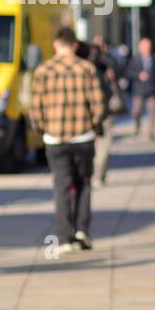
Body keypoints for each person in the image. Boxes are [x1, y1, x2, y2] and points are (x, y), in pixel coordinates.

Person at [29, 28, 106, 255]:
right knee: (83, 183)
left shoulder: (43, 70)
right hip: (83, 137)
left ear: (56, 44)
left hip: (55, 139)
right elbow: (98, 104)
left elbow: (35, 109)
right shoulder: (87, 68)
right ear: (74, 45)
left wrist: (43, 129)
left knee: (61, 187)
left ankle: (64, 238)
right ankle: (82, 230)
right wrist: (93, 125)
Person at [87, 35, 123, 188]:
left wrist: (105, 56)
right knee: (96, 147)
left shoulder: (107, 62)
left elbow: (118, 71)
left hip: (105, 111)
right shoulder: (87, 66)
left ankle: (98, 175)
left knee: (104, 146)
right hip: (91, 112)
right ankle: (95, 174)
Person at [125, 36, 155, 141]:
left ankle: (151, 133)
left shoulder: (154, 59)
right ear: (140, 47)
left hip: (152, 90)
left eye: (148, 45)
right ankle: (137, 129)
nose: (146, 47)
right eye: (144, 45)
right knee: (136, 112)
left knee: (152, 113)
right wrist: (138, 75)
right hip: (138, 90)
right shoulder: (135, 59)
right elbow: (128, 72)